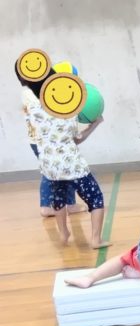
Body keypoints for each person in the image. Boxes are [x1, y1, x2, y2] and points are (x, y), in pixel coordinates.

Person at [22, 78, 104, 247]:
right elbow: (77, 139)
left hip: (51, 168)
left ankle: (63, 234)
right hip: (73, 167)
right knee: (96, 199)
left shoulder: (35, 112)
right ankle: (96, 240)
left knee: (58, 200)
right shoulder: (68, 114)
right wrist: (95, 124)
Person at [14, 60, 82, 217]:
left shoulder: (34, 91)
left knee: (66, 166)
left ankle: (70, 204)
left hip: (48, 139)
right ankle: (46, 206)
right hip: (43, 141)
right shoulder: (31, 93)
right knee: (51, 171)